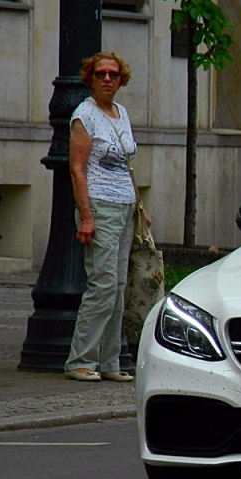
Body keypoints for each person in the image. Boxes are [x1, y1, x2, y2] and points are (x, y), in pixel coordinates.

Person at [65, 52, 141, 382]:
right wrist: (86, 216)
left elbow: (126, 165)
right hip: (99, 204)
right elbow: (77, 169)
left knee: (119, 286)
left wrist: (140, 208)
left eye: (113, 74)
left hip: (125, 205)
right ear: (90, 79)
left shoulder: (120, 112)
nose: (107, 79)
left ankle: (110, 361)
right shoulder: (84, 115)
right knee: (103, 285)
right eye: (100, 75)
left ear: (121, 79)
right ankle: (80, 360)